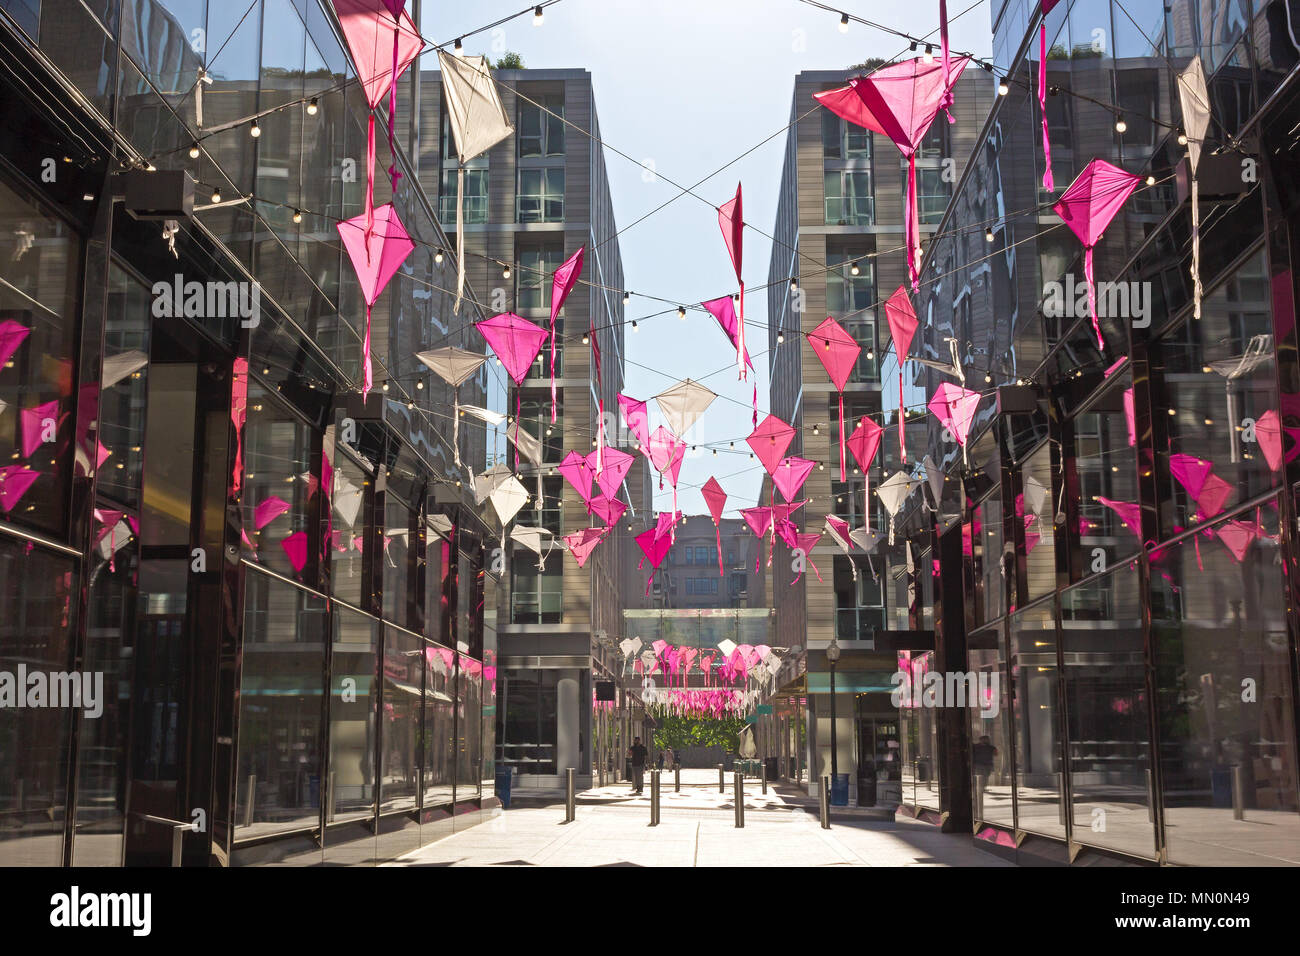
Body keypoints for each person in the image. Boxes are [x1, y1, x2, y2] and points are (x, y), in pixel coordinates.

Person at [972, 734, 997, 818]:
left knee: (986, 776)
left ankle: (983, 786)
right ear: (981, 740)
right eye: (984, 739)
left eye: (987, 739)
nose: (986, 741)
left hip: (987, 765)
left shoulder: (990, 747)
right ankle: (980, 787)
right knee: (980, 776)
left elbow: (995, 753)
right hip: (979, 764)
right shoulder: (976, 746)